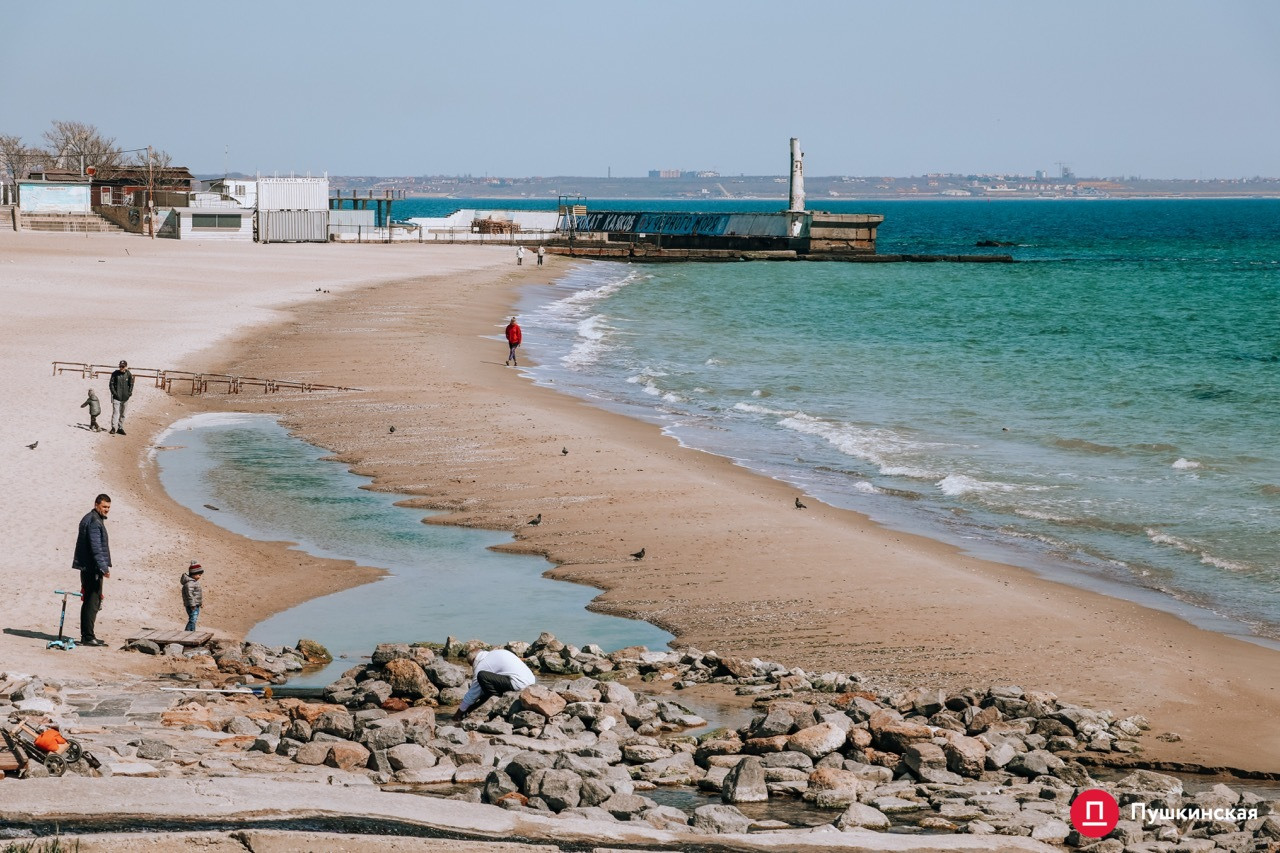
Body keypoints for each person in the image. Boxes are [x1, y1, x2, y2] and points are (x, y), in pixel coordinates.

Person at [72, 494, 112, 646]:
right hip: (92, 568)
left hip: (88, 566)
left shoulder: (90, 518)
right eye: (104, 507)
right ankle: (88, 636)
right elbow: (96, 548)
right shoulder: (94, 521)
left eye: (108, 507)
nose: (106, 510)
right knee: (92, 602)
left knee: (91, 600)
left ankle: (88, 634)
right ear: (96, 505)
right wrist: (103, 567)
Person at [453, 648, 535, 721]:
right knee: (483, 686)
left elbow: (472, 695)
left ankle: (494, 698)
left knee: (482, 676)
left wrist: (458, 714)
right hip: (531, 682)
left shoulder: (481, 665)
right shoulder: (495, 653)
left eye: (471, 665)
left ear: (474, 660)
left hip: (519, 684)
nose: (472, 668)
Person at [109, 360, 134, 435]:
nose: (121, 368)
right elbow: (111, 384)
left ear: (126, 367)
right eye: (120, 366)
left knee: (123, 413)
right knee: (116, 412)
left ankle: (120, 428)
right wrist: (114, 393)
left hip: (125, 397)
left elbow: (131, 384)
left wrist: (129, 393)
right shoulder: (115, 374)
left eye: (122, 366)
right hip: (116, 397)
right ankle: (113, 428)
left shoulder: (128, 374)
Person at [181, 561, 204, 632]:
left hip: (195, 604)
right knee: (193, 618)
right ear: (193, 574)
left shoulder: (194, 583)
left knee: (193, 618)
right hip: (192, 605)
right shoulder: (189, 584)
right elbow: (189, 595)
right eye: (198, 575)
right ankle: (187, 631)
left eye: (200, 575)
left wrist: (200, 603)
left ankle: (192, 631)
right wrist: (192, 604)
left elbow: (197, 595)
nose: (199, 577)